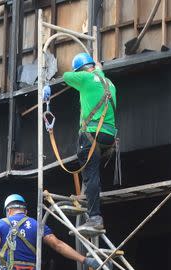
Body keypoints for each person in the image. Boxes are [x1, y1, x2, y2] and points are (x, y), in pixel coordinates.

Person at [44, 52, 118, 235]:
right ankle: (91, 201)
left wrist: (46, 85)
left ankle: (95, 218)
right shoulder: (110, 84)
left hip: (91, 134)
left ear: (81, 68)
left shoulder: (84, 77)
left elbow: (67, 76)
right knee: (93, 173)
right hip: (109, 136)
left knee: (91, 175)